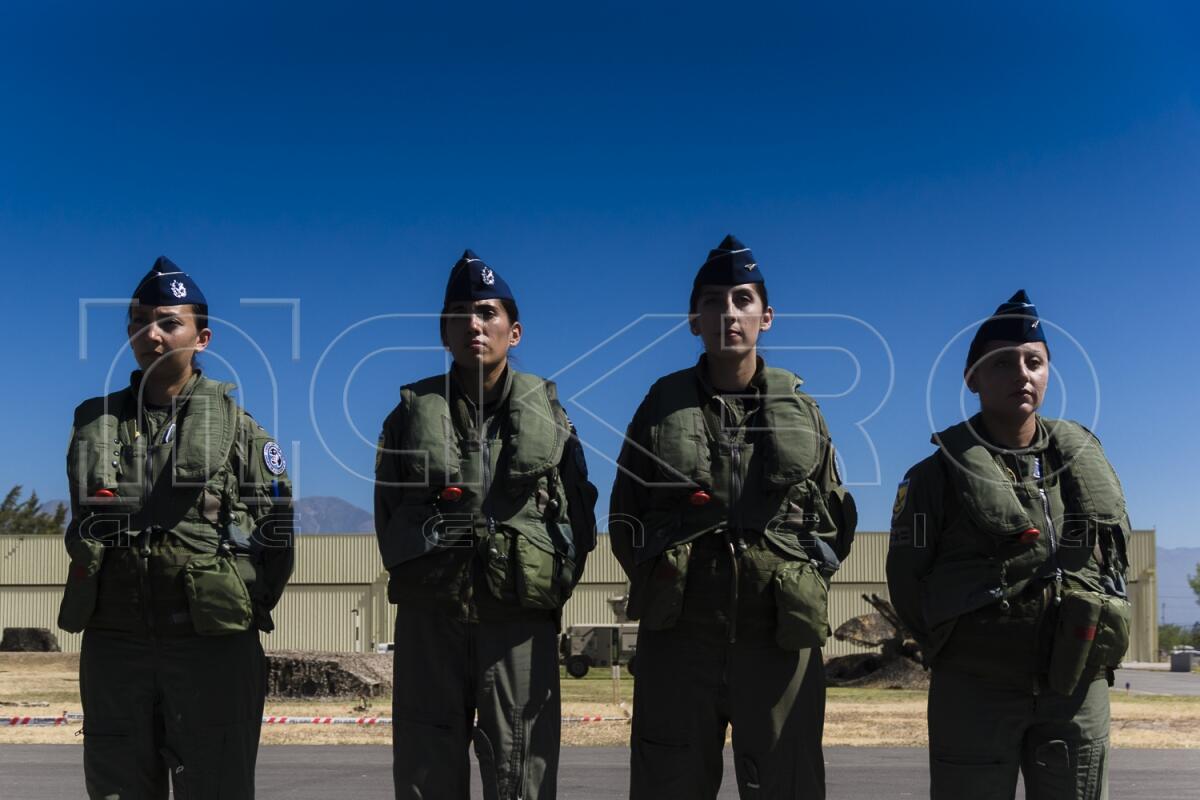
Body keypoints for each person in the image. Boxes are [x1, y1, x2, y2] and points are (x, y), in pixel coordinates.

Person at [609, 235, 857, 799]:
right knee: (668, 779)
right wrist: (668, 573)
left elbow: (833, 519)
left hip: (778, 635)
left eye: (742, 300)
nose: (728, 313)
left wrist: (795, 578)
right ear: (693, 319)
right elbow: (625, 516)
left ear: (766, 316)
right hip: (680, 635)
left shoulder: (804, 412)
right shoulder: (658, 406)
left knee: (787, 780)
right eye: (713, 301)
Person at [59, 256, 295, 799]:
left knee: (216, 784)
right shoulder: (94, 426)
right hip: (116, 644)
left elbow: (276, 540)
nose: (152, 334)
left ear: (202, 337)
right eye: (140, 322)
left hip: (209, 646)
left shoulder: (244, 434)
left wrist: (234, 607)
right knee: (117, 786)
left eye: (169, 322)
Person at [886, 290, 1133, 800]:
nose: (1021, 373)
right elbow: (907, 580)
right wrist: (960, 648)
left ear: (1047, 374)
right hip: (976, 687)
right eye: (1003, 363)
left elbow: (1113, 561)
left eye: (1034, 362)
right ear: (972, 377)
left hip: (1076, 686)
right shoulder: (934, 478)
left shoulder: (1084, 467)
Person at [374, 249, 598, 800]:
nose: (475, 325)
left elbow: (580, 520)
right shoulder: (406, 419)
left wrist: (546, 594)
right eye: (460, 315)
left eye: (488, 313)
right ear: (443, 332)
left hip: (519, 626)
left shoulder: (554, 420)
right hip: (431, 623)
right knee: (426, 775)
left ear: (513, 331)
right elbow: (387, 518)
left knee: (521, 773)